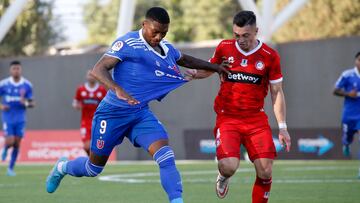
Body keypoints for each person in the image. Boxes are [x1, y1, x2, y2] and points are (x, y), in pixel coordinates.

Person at [46, 7, 229, 203]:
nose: (159, 37)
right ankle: (62, 168)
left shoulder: (165, 48)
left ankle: (177, 200)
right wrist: (117, 88)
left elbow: (185, 59)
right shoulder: (128, 42)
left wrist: (216, 68)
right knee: (93, 169)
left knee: (166, 156)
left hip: (139, 114)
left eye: (164, 33)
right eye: (155, 31)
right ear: (144, 25)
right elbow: (98, 69)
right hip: (111, 114)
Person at [186, 11, 291, 202]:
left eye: (246, 36)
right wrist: (194, 73)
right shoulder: (224, 47)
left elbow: (277, 92)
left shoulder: (270, 56)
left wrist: (282, 127)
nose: (240, 40)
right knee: (228, 166)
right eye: (237, 35)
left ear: (256, 32)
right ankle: (223, 177)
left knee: (266, 171)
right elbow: (209, 69)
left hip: (256, 119)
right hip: (228, 117)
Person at [0, 60, 35, 176]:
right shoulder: (4, 84)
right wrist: (1, 106)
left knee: (17, 143)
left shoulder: (27, 85)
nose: (16, 70)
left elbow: (32, 103)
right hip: (8, 116)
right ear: (10, 70)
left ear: (21, 70)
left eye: (18, 68)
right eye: (14, 68)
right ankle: (5, 148)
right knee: (10, 141)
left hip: (20, 117)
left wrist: (24, 102)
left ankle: (10, 169)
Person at [333, 51, 360, 178]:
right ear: (356, 61)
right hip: (349, 115)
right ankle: (346, 143)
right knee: (348, 137)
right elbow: (335, 90)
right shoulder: (347, 75)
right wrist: (348, 94)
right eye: (359, 60)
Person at [73, 71, 107, 155]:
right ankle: (91, 161)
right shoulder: (81, 89)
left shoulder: (101, 90)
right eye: (89, 75)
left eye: (93, 75)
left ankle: (94, 163)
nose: (91, 76)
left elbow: (107, 104)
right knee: (87, 146)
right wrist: (77, 106)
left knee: (98, 145)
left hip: (98, 121)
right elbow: (75, 103)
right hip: (86, 122)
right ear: (86, 76)